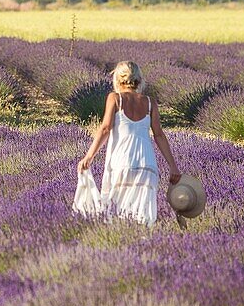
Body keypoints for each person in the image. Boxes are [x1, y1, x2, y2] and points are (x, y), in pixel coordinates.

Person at [77, 61, 181, 226]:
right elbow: (159, 135)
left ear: (118, 79)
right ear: (139, 80)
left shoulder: (115, 98)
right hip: (147, 165)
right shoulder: (150, 102)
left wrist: (89, 156)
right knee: (143, 215)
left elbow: (105, 128)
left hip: (122, 162)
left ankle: (119, 246)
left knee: (114, 213)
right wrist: (173, 166)